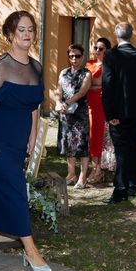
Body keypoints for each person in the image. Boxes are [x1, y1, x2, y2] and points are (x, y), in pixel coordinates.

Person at [0, 11, 51, 271]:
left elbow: (34, 106)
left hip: (20, 140)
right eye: (21, 30)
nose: (27, 34)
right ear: (10, 34)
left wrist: (32, 137)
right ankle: (30, 251)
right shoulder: (1, 66)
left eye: (30, 29)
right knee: (17, 191)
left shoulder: (36, 66)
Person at [101, 22, 136, 204]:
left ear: (116, 35)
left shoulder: (111, 55)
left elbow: (107, 84)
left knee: (121, 151)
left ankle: (121, 189)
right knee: (132, 148)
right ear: (131, 35)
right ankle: (132, 186)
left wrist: (109, 114)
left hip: (118, 112)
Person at [56, 44, 92, 189]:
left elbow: (82, 92)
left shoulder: (86, 73)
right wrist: (58, 102)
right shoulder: (63, 73)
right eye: (71, 56)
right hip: (66, 114)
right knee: (68, 143)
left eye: (77, 56)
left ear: (82, 57)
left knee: (82, 145)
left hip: (80, 114)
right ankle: (71, 174)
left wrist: (66, 103)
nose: (74, 59)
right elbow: (58, 90)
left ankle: (83, 177)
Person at [85, 37, 111, 184]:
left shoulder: (108, 65)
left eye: (101, 48)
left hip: (100, 104)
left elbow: (98, 82)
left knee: (97, 135)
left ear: (107, 50)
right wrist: (94, 85)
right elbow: (90, 83)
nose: (97, 51)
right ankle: (95, 167)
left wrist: (92, 85)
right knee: (90, 135)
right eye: (95, 48)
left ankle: (98, 170)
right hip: (89, 103)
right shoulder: (90, 63)